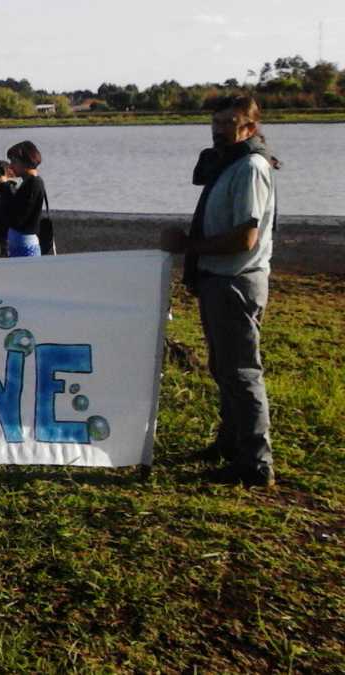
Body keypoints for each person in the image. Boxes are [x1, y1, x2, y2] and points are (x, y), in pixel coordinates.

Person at [160, 95, 280, 487]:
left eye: (229, 122)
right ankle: (230, 442)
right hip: (221, 278)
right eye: (215, 121)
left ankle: (256, 462)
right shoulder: (232, 164)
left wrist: (188, 246)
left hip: (236, 279)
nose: (218, 129)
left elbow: (246, 237)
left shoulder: (249, 166)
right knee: (225, 366)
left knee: (242, 370)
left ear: (249, 127)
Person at [0, 140, 47, 258]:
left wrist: (4, 186)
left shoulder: (33, 183)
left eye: (14, 161)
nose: (10, 166)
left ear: (25, 162)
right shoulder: (29, 182)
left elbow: (18, 217)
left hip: (25, 245)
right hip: (20, 243)